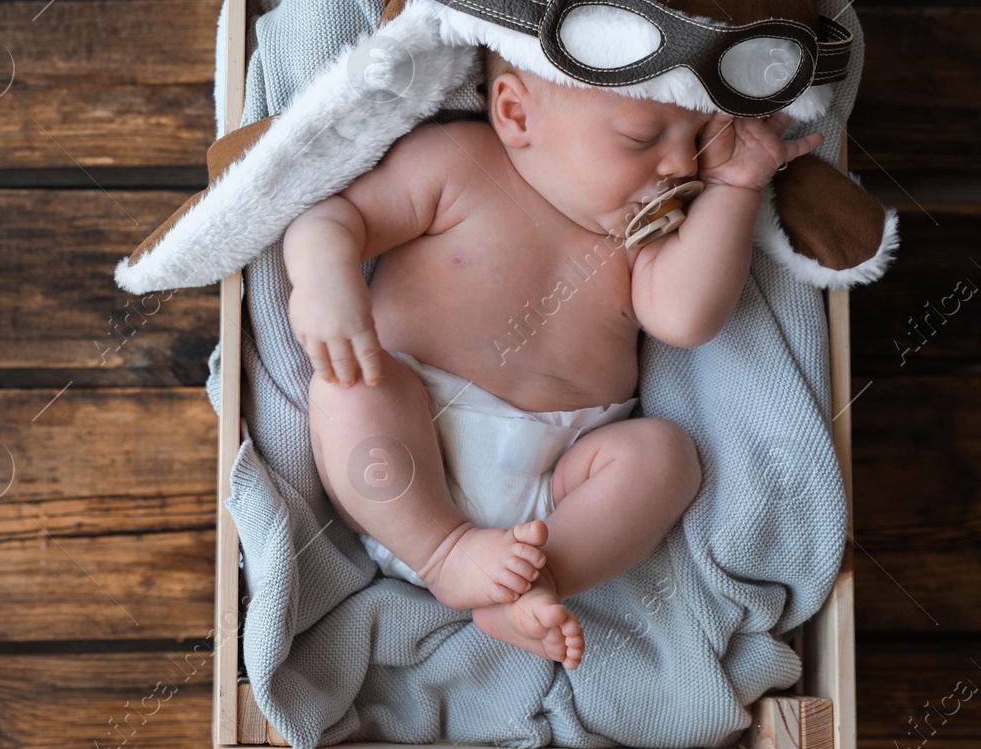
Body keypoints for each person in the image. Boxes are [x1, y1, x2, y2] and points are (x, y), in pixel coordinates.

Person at [284, 44, 823, 670]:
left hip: (558, 483)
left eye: (698, 135)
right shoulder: (458, 163)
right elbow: (337, 215)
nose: (680, 163)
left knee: (664, 457)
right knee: (349, 388)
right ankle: (445, 554)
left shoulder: (641, 231)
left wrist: (736, 183)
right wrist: (323, 278)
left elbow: (685, 318)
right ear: (517, 115)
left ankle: (533, 586)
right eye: (641, 136)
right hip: (411, 450)